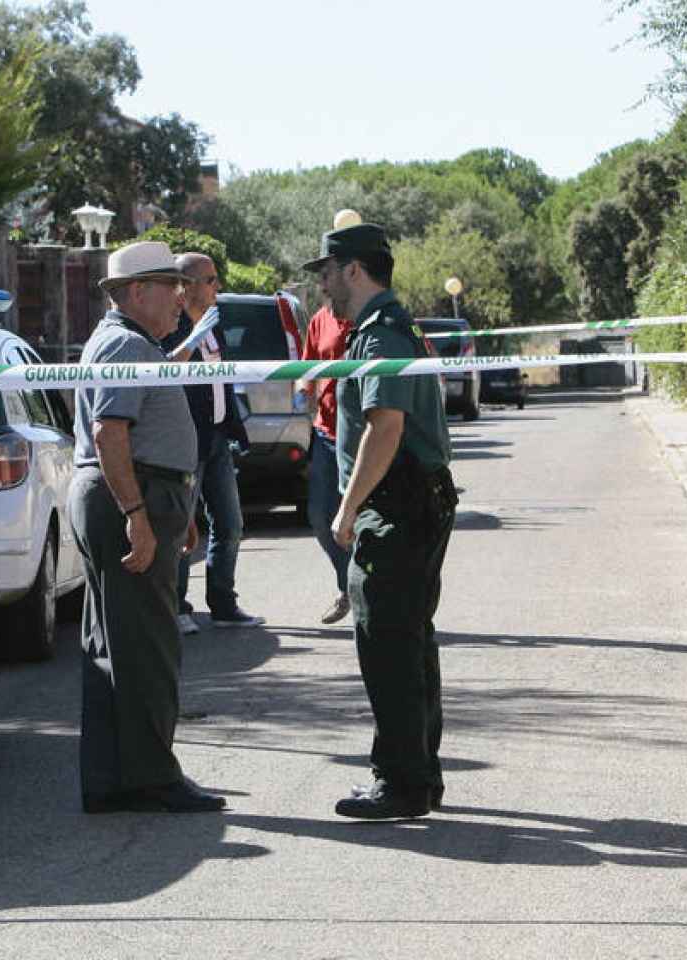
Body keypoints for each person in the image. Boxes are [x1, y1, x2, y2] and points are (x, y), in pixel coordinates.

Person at [305, 223, 456, 820]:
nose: (322, 283)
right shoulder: (388, 328)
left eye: (328, 270)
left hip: (396, 506)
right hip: (410, 500)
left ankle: (402, 782)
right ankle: (419, 773)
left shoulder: (379, 337)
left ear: (355, 271)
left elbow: (384, 427)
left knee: (389, 645)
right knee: (410, 640)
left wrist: (346, 508)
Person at [69, 240, 225, 815]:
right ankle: (152, 775)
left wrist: (172, 513)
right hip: (128, 498)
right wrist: (139, 515)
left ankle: (115, 778)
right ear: (138, 292)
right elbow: (113, 434)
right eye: (171, 287)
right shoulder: (125, 345)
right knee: (148, 647)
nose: (181, 299)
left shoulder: (126, 343)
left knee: (115, 644)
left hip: (139, 496)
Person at [170, 252, 263, 633]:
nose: (217, 287)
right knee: (180, 528)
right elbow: (169, 370)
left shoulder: (215, 324)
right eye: (210, 280)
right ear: (187, 286)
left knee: (230, 524)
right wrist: (191, 337)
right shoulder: (169, 326)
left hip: (219, 438)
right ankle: (176, 607)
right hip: (186, 441)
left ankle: (223, 603)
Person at [296, 299, 354, 625]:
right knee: (320, 516)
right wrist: (303, 389)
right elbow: (308, 366)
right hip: (326, 434)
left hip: (364, 436)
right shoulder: (320, 319)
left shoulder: (372, 317)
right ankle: (349, 585)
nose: (323, 283)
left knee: (363, 521)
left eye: (327, 273)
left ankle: (365, 591)